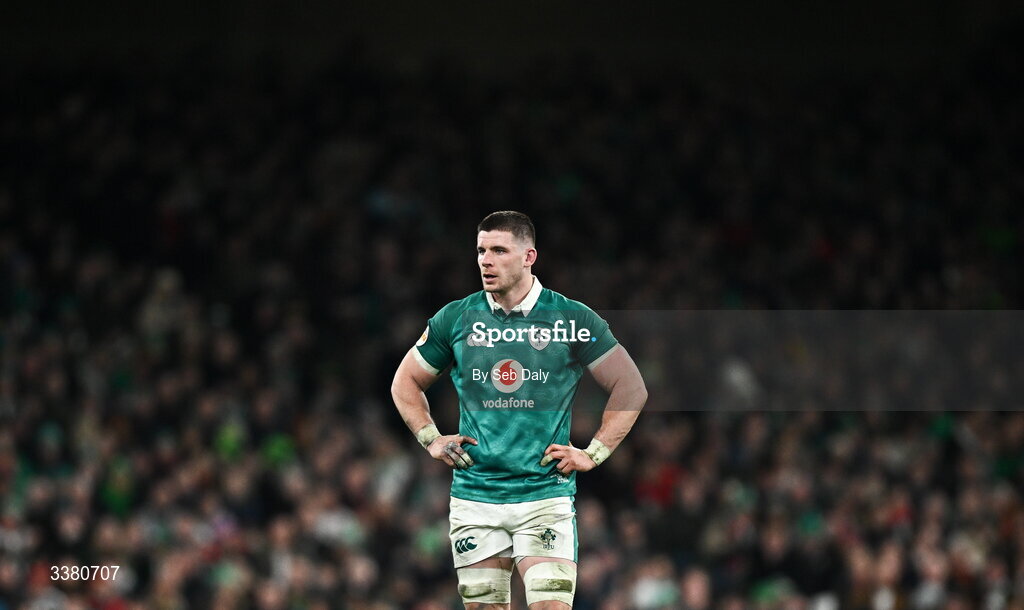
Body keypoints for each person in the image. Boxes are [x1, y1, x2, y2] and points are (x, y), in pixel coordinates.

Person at [392, 211, 648, 609]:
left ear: (529, 256)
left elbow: (630, 387)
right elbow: (405, 382)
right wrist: (431, 438)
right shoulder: (457, 318)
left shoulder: (571, 319)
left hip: (544, 494)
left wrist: (593, 452)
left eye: (498, 250)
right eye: (480, 250)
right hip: (476, 497)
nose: (485, 261)